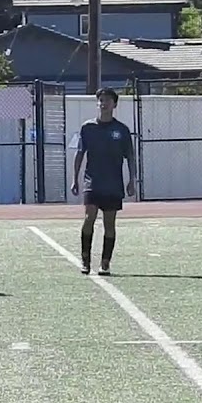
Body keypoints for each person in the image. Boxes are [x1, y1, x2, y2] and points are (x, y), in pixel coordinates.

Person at [70, 88, 136, 276]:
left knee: (109, 224)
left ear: (114, 104)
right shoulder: (87, 128)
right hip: (92, 181)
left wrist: (132, 180)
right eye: (100, 100)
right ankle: (85, 259)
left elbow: (130, 157)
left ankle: (105, 262)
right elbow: (80, 154)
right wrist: (75, 179)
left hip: (113, 184)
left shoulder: (121, 130)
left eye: (107, 100)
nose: (103, 103)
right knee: (89, 217)